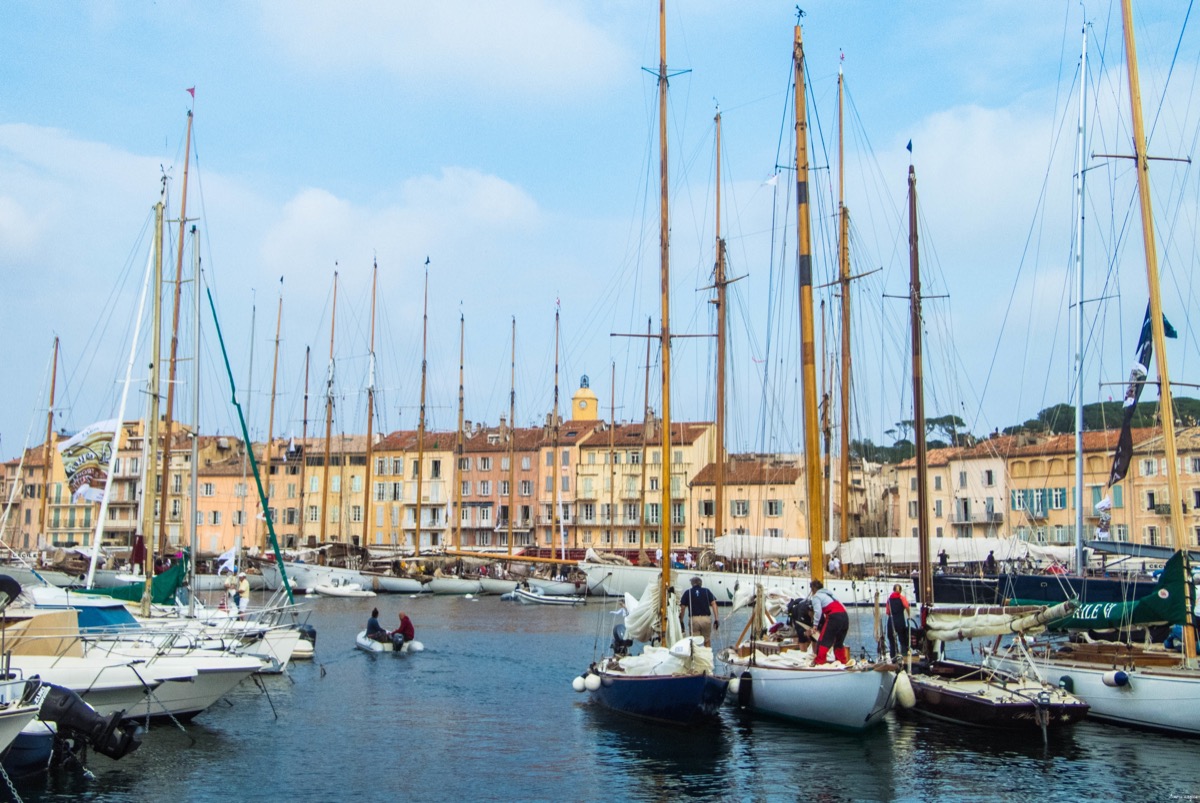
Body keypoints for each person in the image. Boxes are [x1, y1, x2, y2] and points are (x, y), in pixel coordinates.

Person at [810, 579, 850, 665]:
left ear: (813, 589)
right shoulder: (830, 595)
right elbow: (843, 606)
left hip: (834, 616)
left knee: (823, 640)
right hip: (845, 617)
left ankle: (819, 662)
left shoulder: (816, 596)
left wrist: (815, 625)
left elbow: (818, 612)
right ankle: (842, 661)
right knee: (839, 642)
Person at [679, 576, 719, 646]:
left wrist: (681, 620)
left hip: (694, 619)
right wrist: (716, 619)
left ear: (692, 584)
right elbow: (714, 604)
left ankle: (696, 655)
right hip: (706, 619)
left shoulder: (688, 592)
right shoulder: (707, 591)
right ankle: (707, 655)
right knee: (707, 640)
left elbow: (682, 607)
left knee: (695, 642)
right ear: (701, 583)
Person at [886, 584, 910, 659]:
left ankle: (893, 656)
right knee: (902, 639)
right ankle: (904, 656)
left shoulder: (889, 600)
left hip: (891, 620)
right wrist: (909, 615)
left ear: (893, 590)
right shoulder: (902, 598)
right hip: (900, 620)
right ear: (900, 590)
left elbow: (887, 612)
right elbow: (907, 606)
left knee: (891, 639)